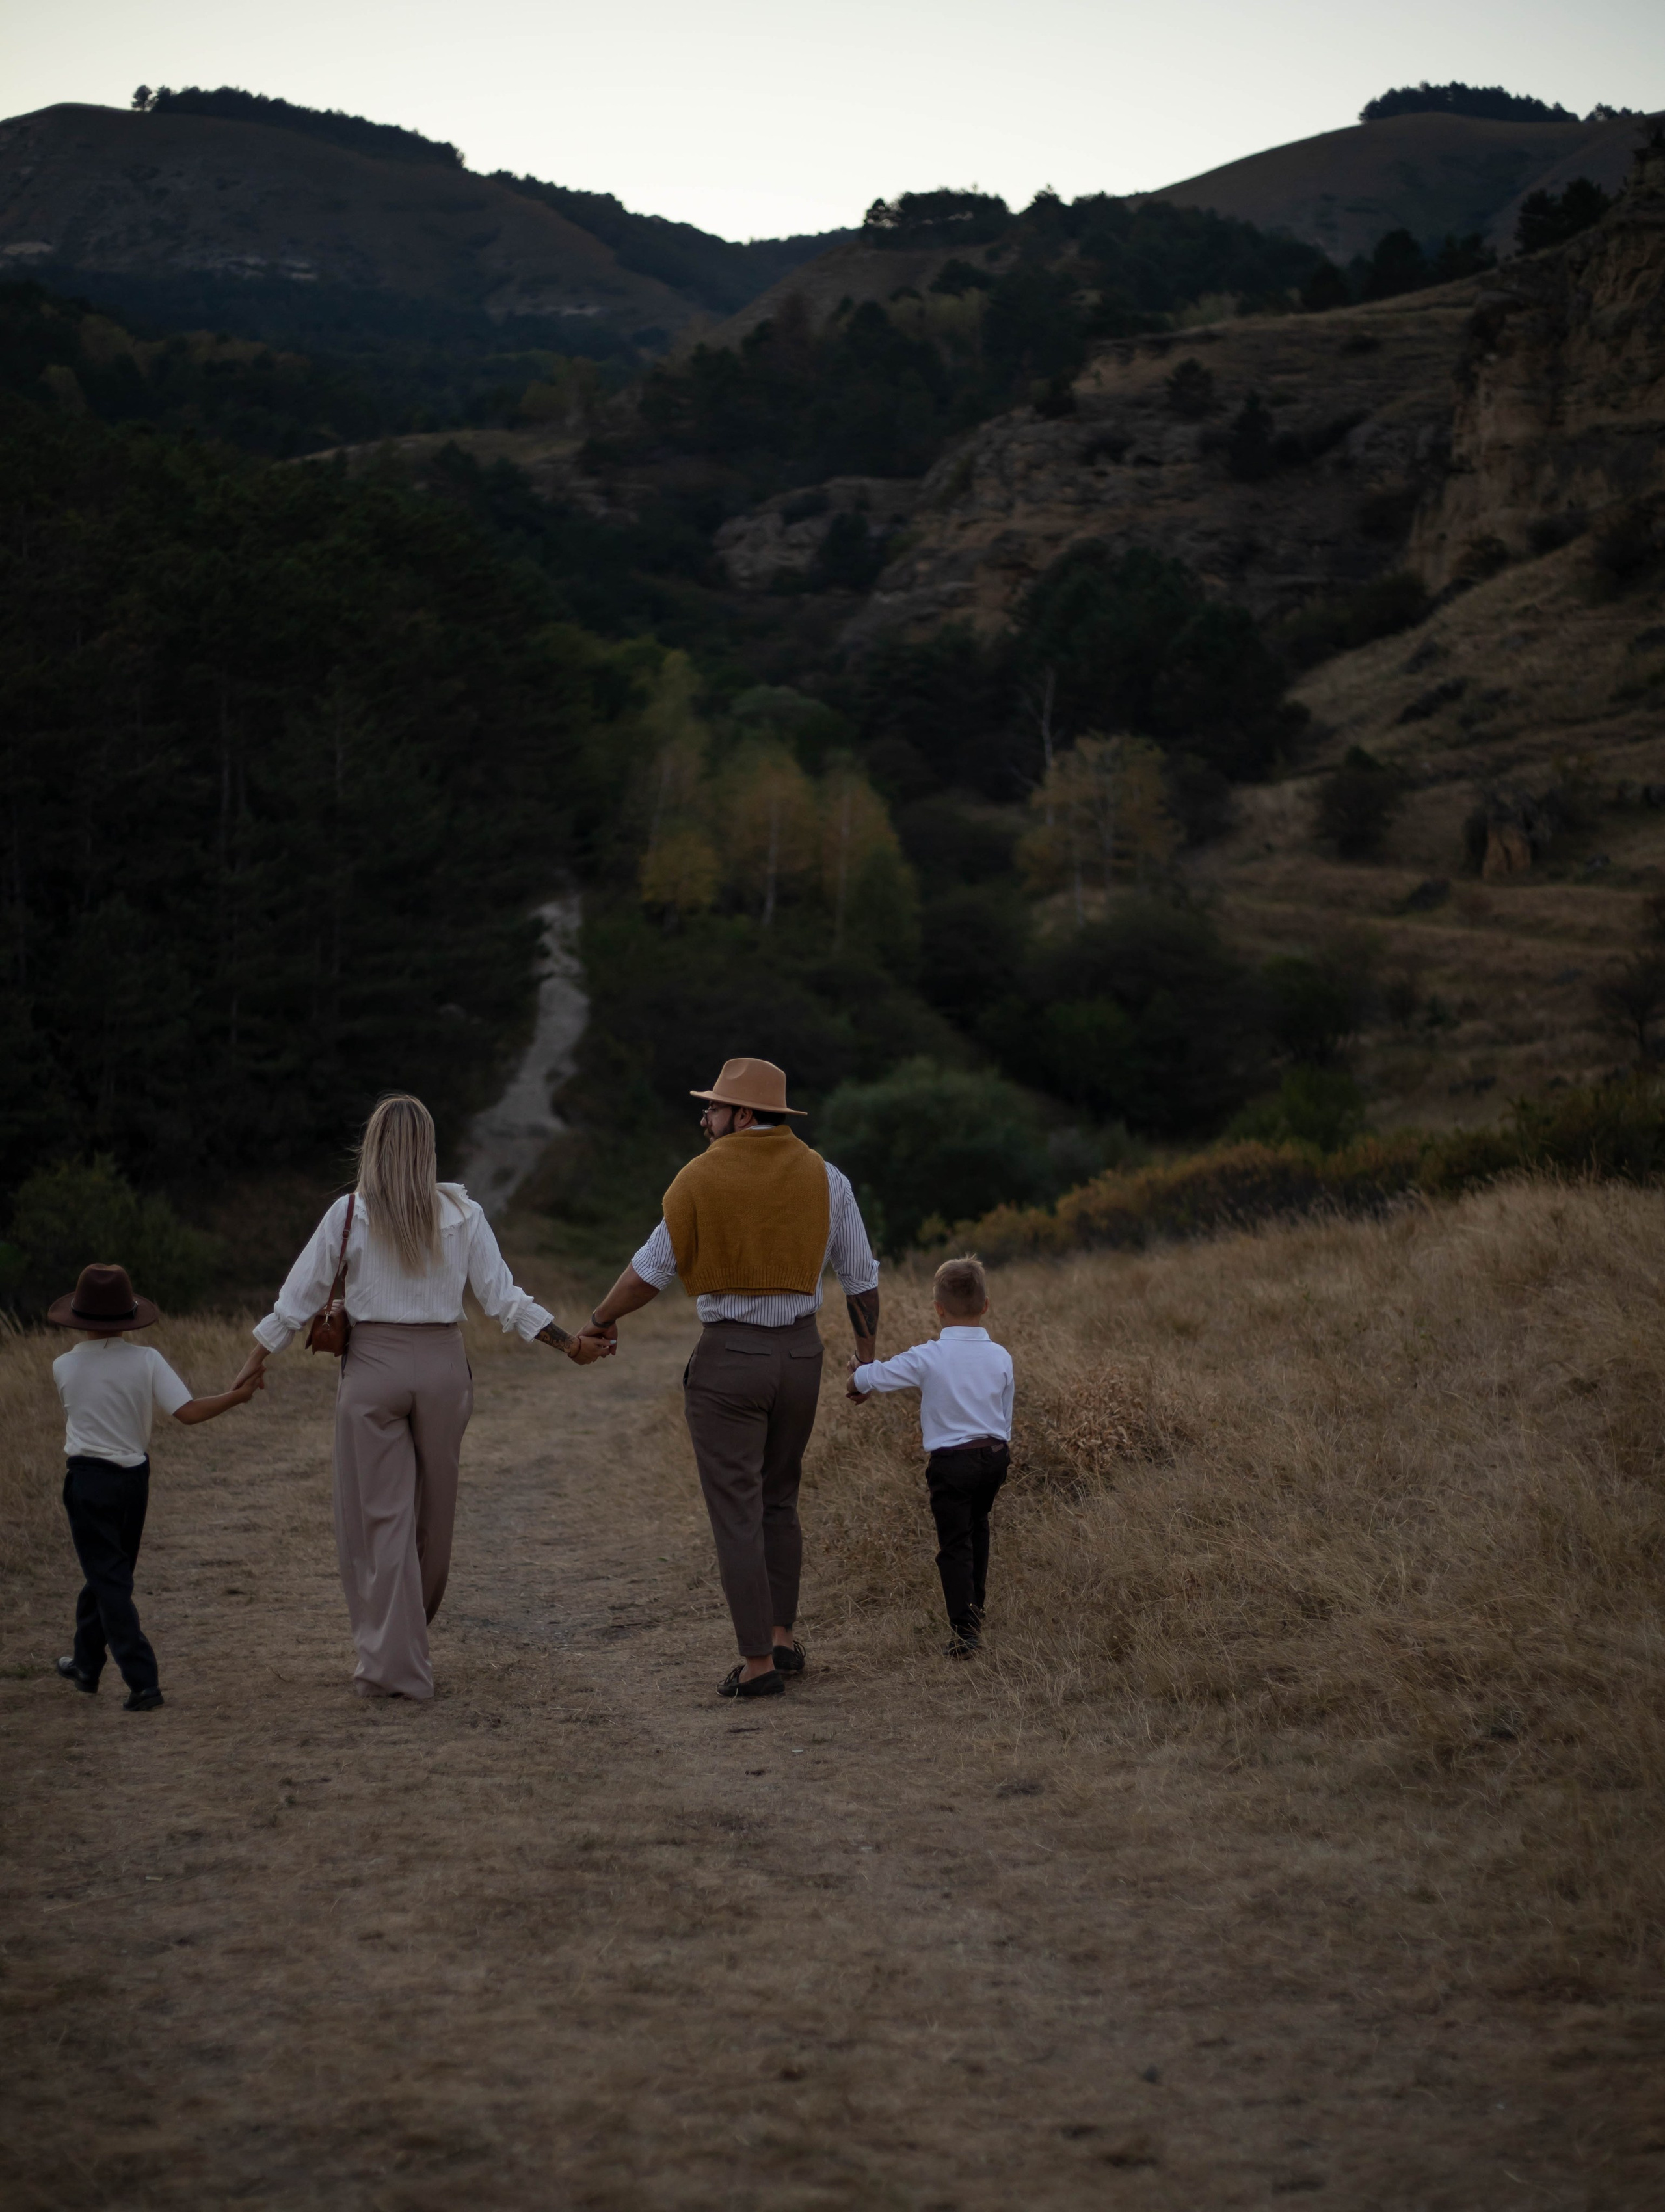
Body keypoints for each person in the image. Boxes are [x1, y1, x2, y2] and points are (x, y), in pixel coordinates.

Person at [234, 1093, 602, 1701]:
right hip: (442, 1369)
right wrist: (569, 1344)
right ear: (428, 1147)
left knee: (380, 1519)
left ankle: (394, 1661)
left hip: (373, 1370)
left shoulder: (348, 1214)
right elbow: (503, 1298)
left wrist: (253, 1361)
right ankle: (406, 1637)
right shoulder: (464, 1213)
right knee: (434, 1516)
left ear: (372, 1145)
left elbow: (294, 1302)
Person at [577, 1057, 880, 1701]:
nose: (705, 1118)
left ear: (742, 1114)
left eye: (713, 1108)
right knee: (779, 1499)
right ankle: (781, 1635)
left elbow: (648, 1271)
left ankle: (755, 1663)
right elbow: (861, 1275)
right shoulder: (827, 1177)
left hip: (729, 1361)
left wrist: (601, 1319)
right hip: (801, 1357)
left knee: (737, 1510)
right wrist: (866, 1360)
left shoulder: (697, 1179)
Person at [51, 1262, 263, 1711]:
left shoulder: (63, 1365)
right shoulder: (148, 1360)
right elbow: (187, 1411)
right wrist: (237, 1396)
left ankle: (143, 1682)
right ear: (130, 1315)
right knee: (109, 1574)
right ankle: (86, 1665)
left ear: (79, 1314)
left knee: (107, 1578)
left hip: (87, 1481)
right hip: (133, 1482)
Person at [847, 1254, 1013, 1659]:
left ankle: (965, 1633)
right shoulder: (1001, 1356)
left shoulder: (928, 1356)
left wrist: (856, 1373)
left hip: (951, 1465)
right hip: (995, 1457)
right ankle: (977, 1611)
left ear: (938, 1309)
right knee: (979, 1531)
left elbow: (876, 1377)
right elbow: (1005, 1414)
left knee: (954, 1544)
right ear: (986, 1305)